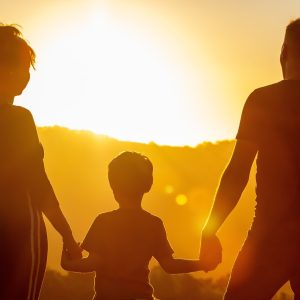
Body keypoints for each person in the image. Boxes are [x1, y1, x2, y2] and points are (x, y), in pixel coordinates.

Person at [199, 19, 300, 300]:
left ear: (284, 52)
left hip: (269, 239)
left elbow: (237, 172)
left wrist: (209, 230)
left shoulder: (263, 100)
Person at [0, 24, 81, 300]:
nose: (27, 76)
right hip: (19, 233)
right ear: (8, 70)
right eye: (25, 67)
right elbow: (38, 182)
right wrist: (67, 235)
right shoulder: (18, 118)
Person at [61, 151, 209, 300]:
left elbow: (93, 262)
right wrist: (202, 264)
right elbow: (170, 265)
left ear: (114, 187)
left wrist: (68, 264)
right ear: (146, 185)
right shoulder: (154, 224)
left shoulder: (103, 221)